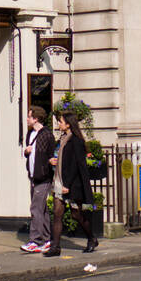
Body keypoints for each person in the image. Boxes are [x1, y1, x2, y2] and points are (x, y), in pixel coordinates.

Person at [44, 110, 98, 256]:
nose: (59, 124)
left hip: (71, 184)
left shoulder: (76, 141)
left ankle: (91, 238)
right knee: (57, 213)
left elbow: (77, 165)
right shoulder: (62, 139)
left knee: (76, 214)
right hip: (59, 181)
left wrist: (67, 184)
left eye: (61, 121)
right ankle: (55, 247)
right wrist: (53, 160)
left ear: (68, 124)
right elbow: (61, 158)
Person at [20, 107, 56, 252]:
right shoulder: (30, 133)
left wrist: (49, 165)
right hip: (33, 176)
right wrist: (26, 152)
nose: (27, 119)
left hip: (44, 178)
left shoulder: (47, 135)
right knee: (42, 209)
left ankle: (35, 241)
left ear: (36, 118)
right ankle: (47, 239)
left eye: (29, 117)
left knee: (35, 208)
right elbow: (30, 153)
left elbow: (51, 156)